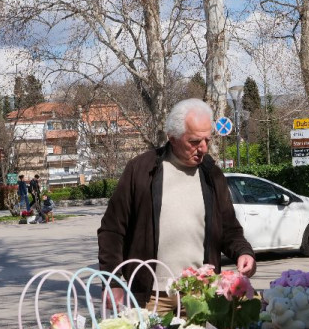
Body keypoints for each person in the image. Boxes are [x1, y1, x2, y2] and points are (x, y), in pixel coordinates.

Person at [97, 98, 256, 308]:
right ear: (172, 138)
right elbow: (112, 230)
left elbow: (229, 229)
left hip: (200, 295)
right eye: (194, 142)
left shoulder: (212, 175)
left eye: (207, 140)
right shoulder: (141, 170)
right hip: (151, 296)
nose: (203, 148)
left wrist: (244, 252)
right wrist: (112, 281)